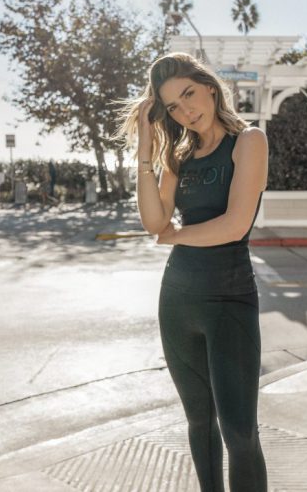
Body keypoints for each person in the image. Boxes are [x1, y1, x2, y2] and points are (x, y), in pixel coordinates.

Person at [114, 51, 268, 491]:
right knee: (199, 424)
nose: (186, 110)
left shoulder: (249, 141)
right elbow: (154, 222)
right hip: (178, 300)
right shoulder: (178, 157)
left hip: (230, 299)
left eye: (189, 94)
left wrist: (177, 235)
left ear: (210, 88)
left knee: (240, 432)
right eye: (173, 106)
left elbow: (235, 224)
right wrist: (146, 147)